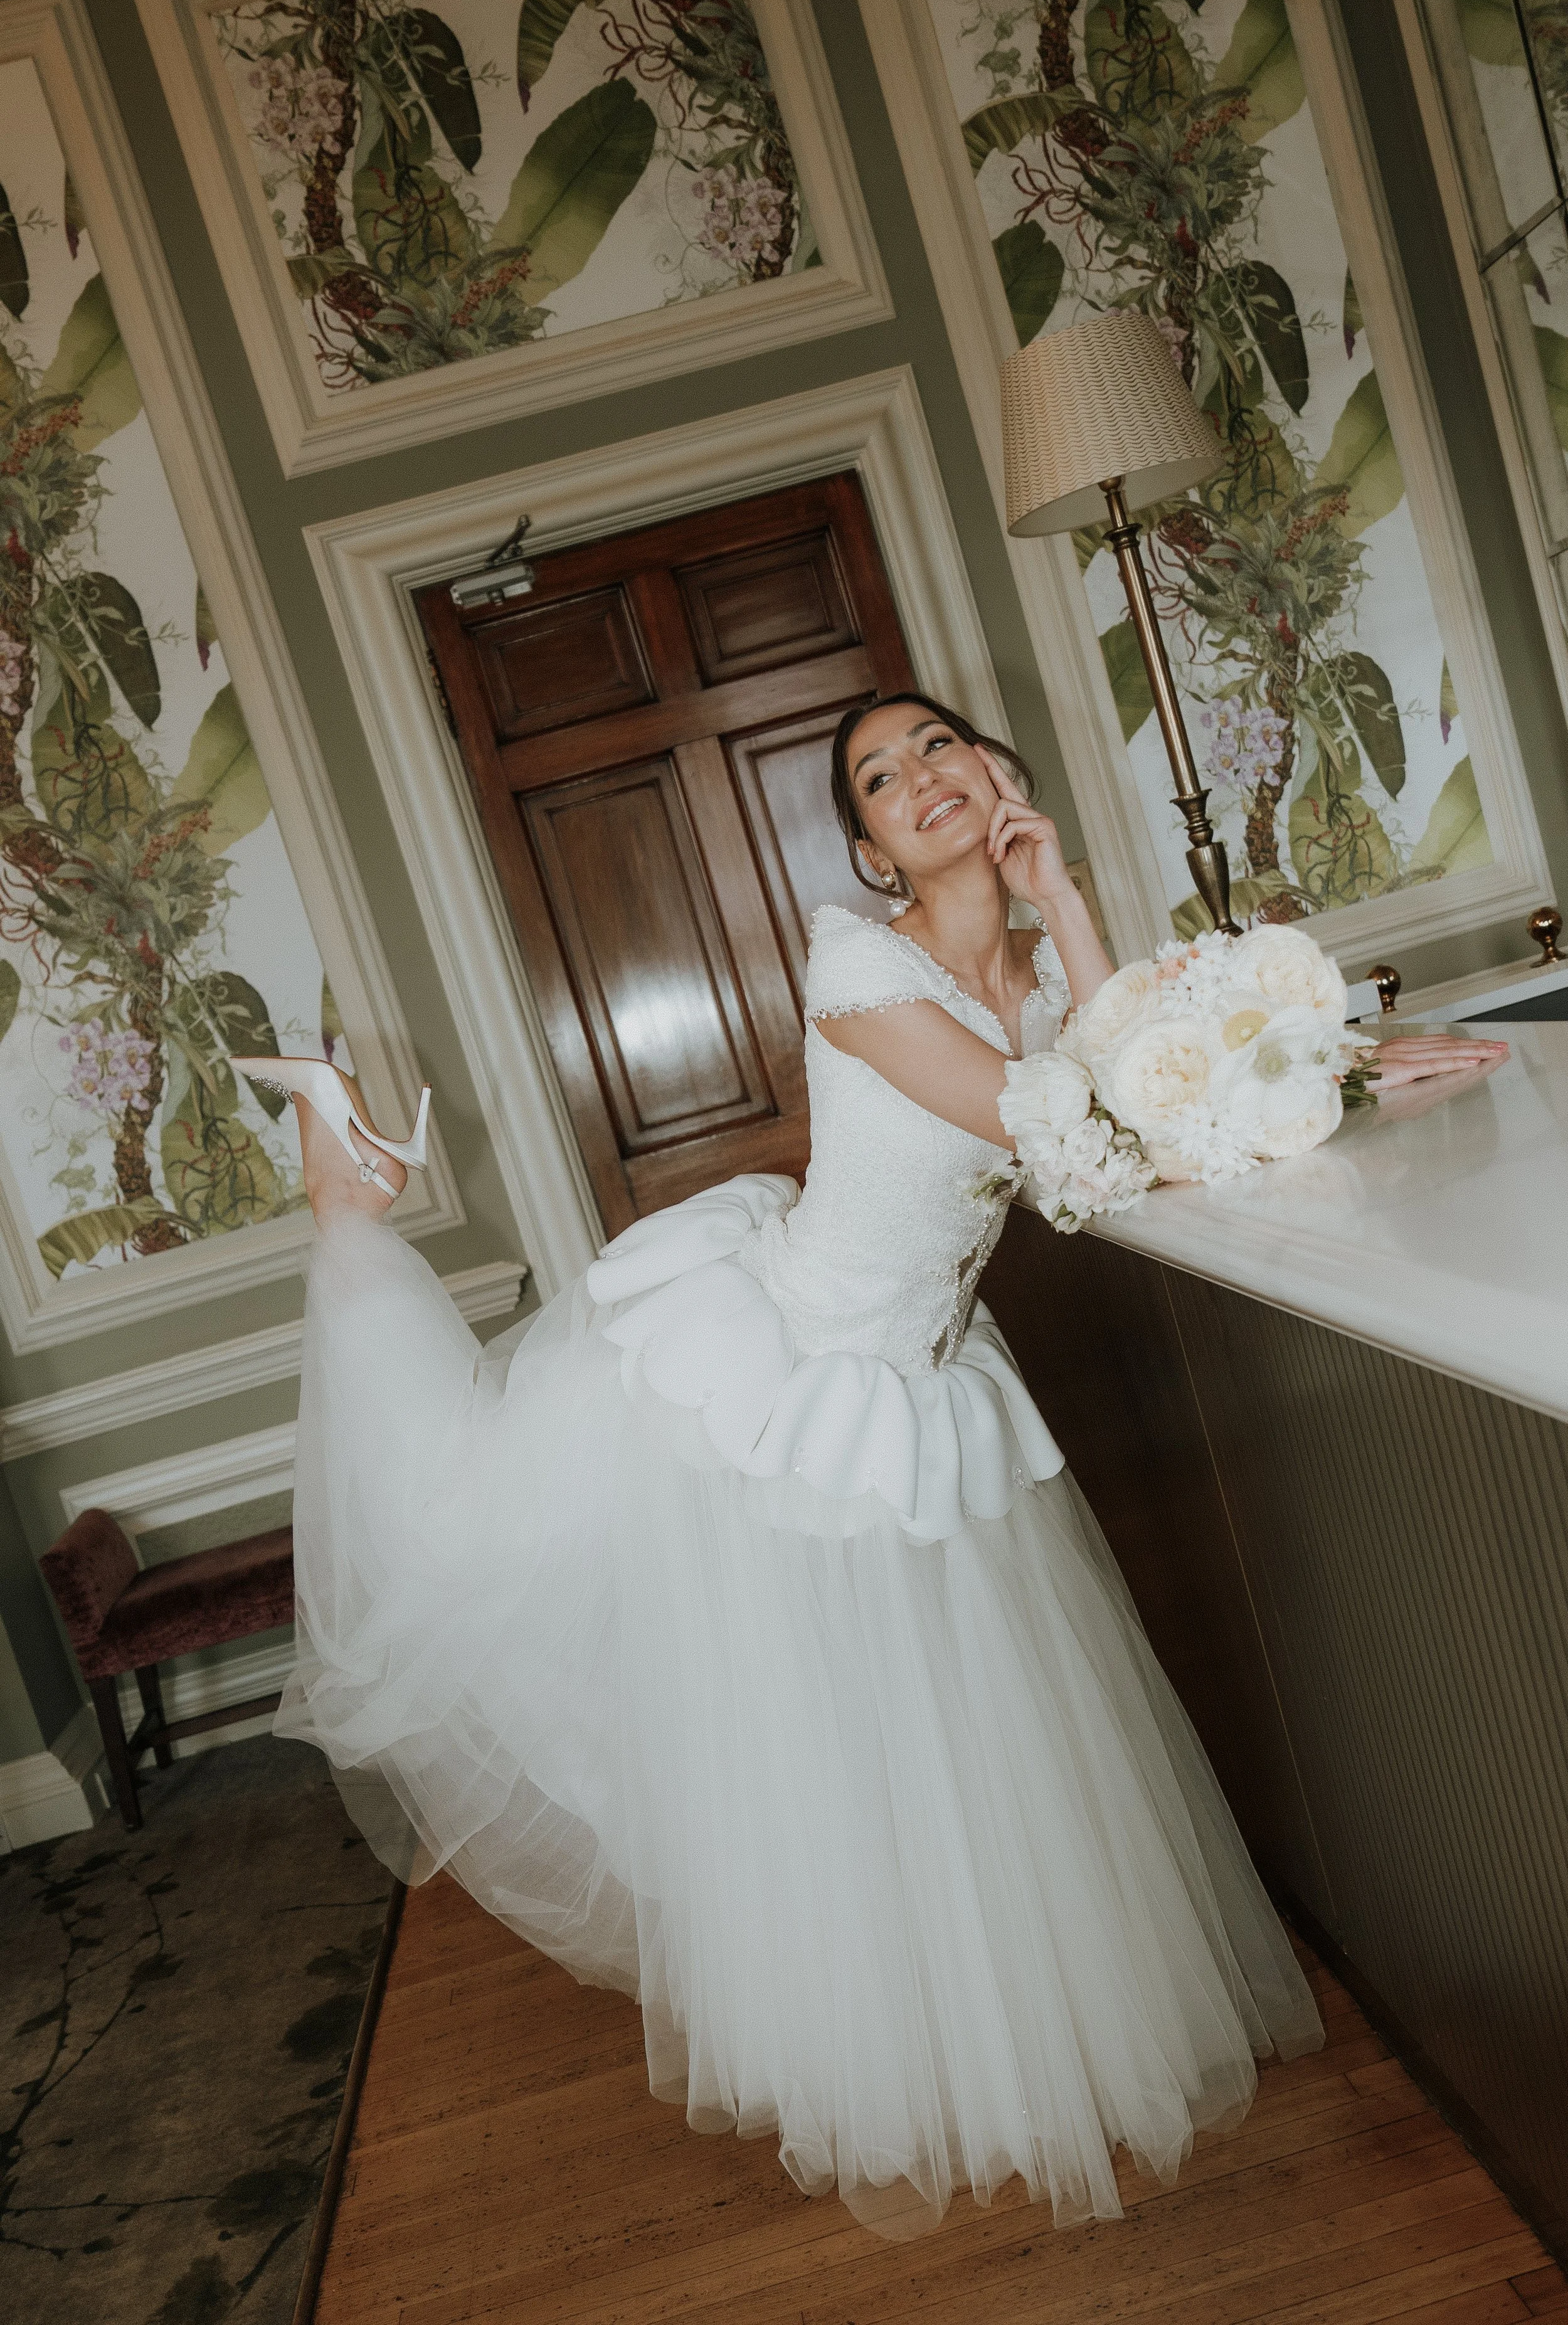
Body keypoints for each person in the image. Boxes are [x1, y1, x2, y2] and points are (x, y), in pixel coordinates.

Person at [238, 693, 1507, 2240]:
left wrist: (1077, 907)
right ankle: (342, 1198)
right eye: (879, 777)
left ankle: (966, 2044)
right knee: (515, 1580)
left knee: (920, 1753)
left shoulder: (1040, 977)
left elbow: (1142, 1083)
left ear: (996, 775)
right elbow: (1071, 1135)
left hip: (916, 1386)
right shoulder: (856, 964)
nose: (917, 778)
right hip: (785, 1375)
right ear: (865, 845)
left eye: (935, 747)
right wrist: (1331, 1084)